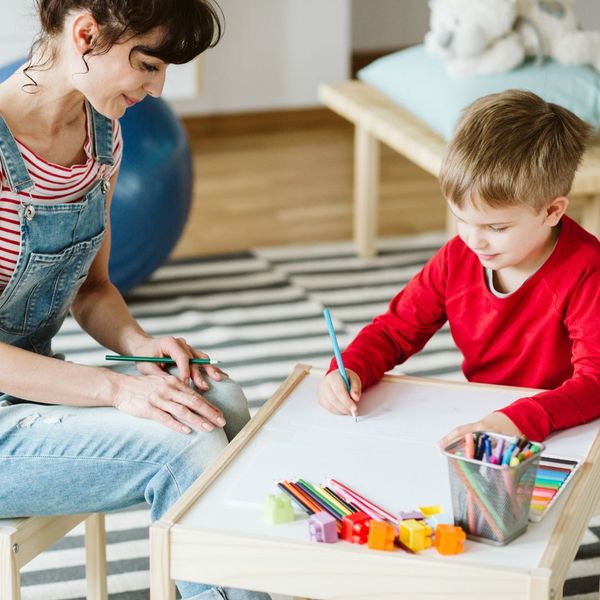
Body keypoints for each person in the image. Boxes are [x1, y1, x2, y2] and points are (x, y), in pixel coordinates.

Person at [0, 1, 270, 599]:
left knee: (219, 403)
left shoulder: (102, 139)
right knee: (184, 444)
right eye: (147, 64)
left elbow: (92, 289)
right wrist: (118, 387)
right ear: (87, 34)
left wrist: (139, 347)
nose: (157, 87)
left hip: (27, 395)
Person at [318, 89, 600, 445]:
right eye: (461, 219)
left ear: (552, 212)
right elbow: (395, 332)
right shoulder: (459, 256)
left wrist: (518, 419)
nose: (474, 240)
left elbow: (595, 383)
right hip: (490, 420)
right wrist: (351, 368)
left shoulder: (588, 270)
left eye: (496, 228)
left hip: (567, 426)